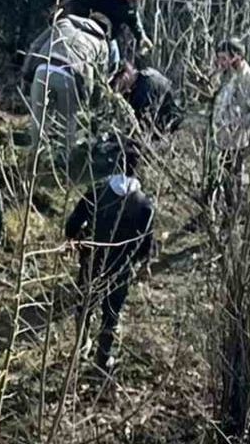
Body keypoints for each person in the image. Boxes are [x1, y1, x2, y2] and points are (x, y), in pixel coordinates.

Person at [64, 140, 155, 378]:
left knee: (85, 303)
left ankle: (81, 345)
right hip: (121, 268)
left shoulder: (98, 191)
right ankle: (102, 358)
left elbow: (73, 223)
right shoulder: (145, 205)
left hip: (92, 260)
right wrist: (136, 261)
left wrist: (77, 238)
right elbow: (146, 245)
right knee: (111, 313)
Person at [21, 11, 115, 156]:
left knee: (39, 119)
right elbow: (99, 80)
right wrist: (93, 104)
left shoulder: (63, 23)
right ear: (105, 31)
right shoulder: (102, 43)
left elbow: (35, 45)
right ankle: (62, 160)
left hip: (43, 69)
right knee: (67, 123)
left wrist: (26, 75)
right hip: (70, 76)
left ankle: (36, 156)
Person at [207, 37, 250, 220]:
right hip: (222, 138)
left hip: (238, 142)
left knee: (234, 180)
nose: (221, 62)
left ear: (237, 57)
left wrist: (239, 123)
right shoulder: (226, 75)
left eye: (224, 58)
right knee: (221, 178)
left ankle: (235, 217)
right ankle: (222, 212)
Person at [67, 0, 153, 56]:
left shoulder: (132, 2)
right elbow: (77, 1)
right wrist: (89, 19)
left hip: (108, 38)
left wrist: (141, 36)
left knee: (115, 61)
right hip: (86, 29)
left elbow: (133, 18)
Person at [112, 62, 184, 134]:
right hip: (167, 126)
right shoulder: (142, 79)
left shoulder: (145, 84)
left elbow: (142, 122)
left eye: (120, 75)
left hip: (172, 127)